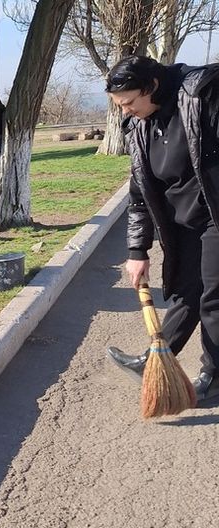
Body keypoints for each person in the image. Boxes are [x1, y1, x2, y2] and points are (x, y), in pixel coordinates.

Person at [104, 55, 219, 403]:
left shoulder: (201, 96)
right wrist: (137, 252)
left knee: (214, 297)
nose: (125, 111)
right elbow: (139, 194)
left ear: (152, 86)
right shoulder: (140, 125)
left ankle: (213, 376)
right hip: (182, 222)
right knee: (187, 290)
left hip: (215, 214)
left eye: (128, 103)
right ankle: (155, 359)